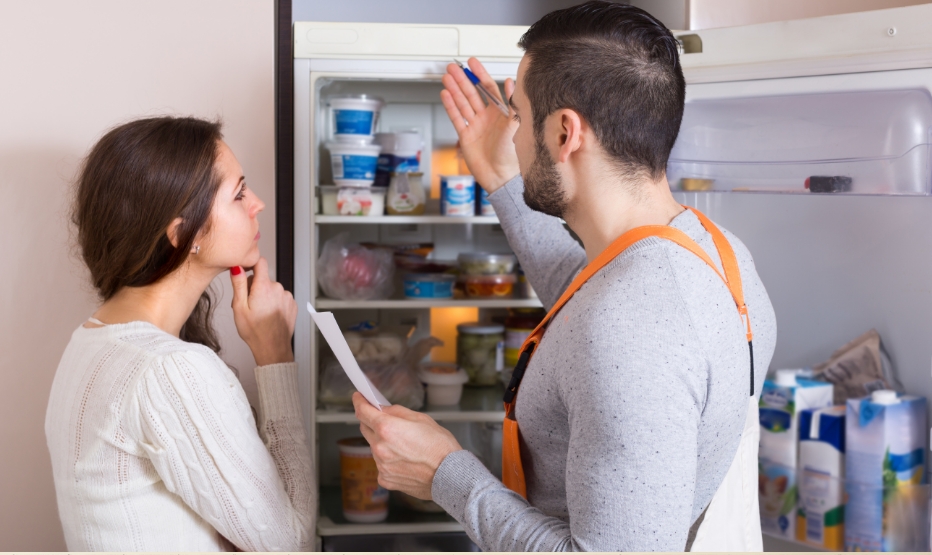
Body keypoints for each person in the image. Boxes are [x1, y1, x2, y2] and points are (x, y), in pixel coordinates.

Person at [352, 2, 777, 551]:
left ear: (564, 131)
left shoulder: (633, 331)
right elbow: (586, 300)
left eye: (520, 118)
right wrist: (503, 177)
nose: (515, 135)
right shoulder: (716, 253)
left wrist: (443, 473)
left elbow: (616, 334)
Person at [45, 117, 316, 551]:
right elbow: (293, 543)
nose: (257, 204)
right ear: (181, 233)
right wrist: (275, 355)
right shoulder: (168, 372)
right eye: (239, 193)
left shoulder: (90, 341)